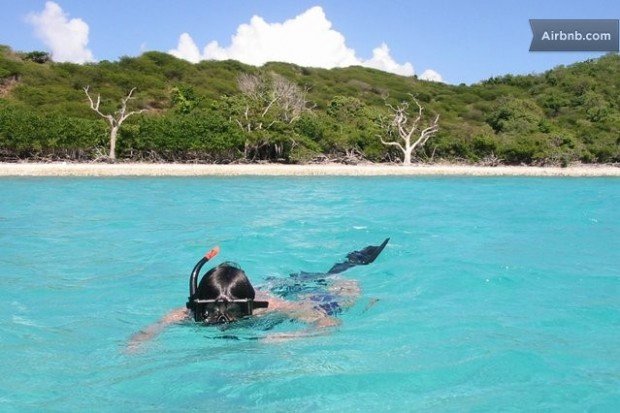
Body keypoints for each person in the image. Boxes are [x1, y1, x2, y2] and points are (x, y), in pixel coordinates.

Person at [128, 239, 388, 349]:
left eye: (234, 311)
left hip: (288, 291)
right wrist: (139, 342)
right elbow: (152, 328)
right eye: (211, 312)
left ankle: (353, 262)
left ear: (249, 305)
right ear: (199, 304)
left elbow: (329, 322)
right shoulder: (189, 311)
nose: (223, 320)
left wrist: (290, 335)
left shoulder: (267, 305)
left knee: (338, 293)